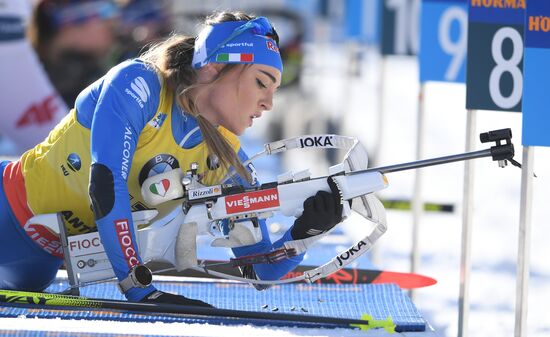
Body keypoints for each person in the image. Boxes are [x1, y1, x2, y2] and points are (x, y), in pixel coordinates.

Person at [0, 11, 344, 307]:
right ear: (213, 68)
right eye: (261, 83)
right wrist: (139, 288)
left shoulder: (225, 156)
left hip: (35, 263)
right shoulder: (140, 85)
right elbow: (105, 184)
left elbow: (258, 269)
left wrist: (303, 232)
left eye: (274, 91)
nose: (269, 103)